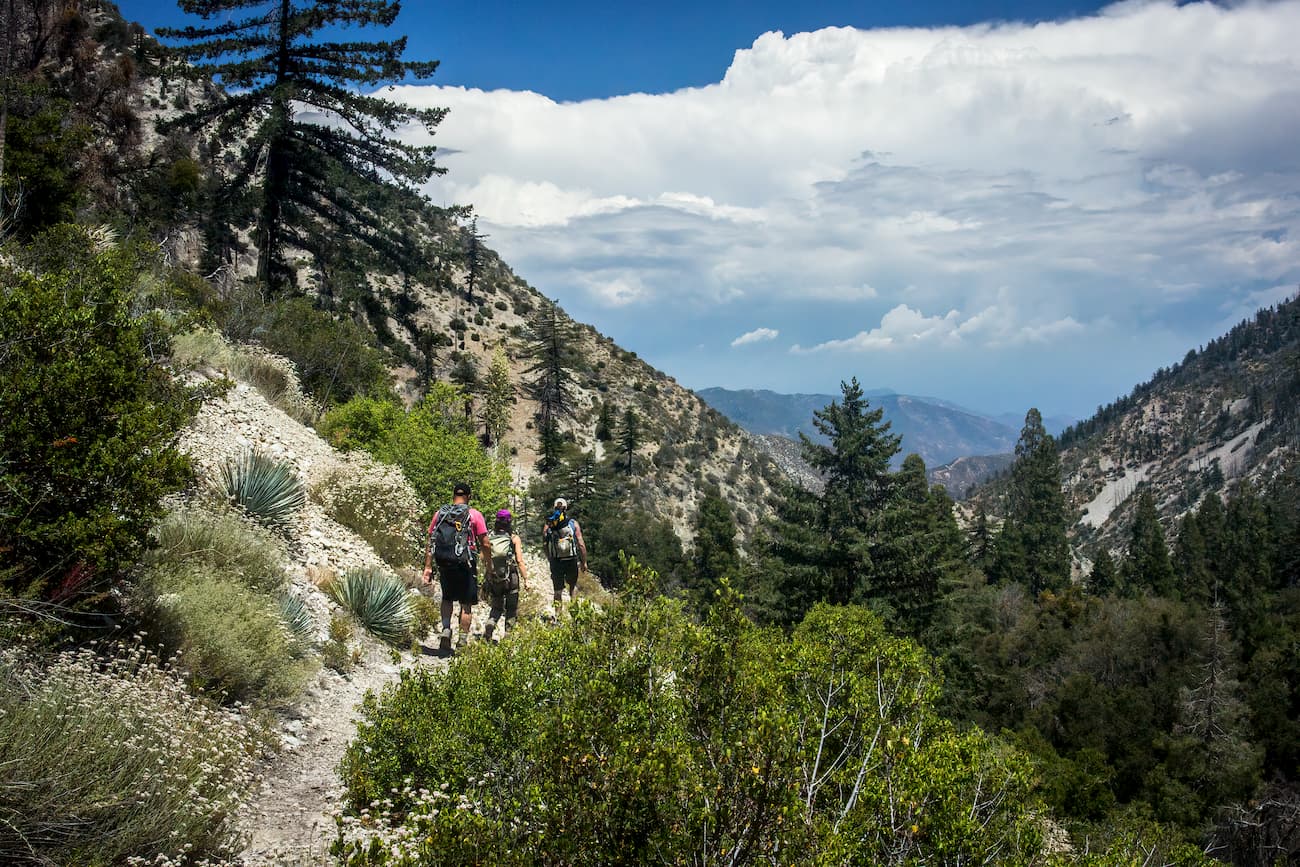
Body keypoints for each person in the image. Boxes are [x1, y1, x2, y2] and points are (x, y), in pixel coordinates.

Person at [422, 481, 488, 650]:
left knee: (447, 598)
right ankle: (462, 640)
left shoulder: (440, 514)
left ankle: (446, 629)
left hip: (444, 562)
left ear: (454, 495)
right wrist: (489, 564)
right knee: (466, 604)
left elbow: (431, 540)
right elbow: (485, 544)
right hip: (466, 564)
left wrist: (428, 567)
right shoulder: (474, 515)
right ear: (469, 497)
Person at [482, 509, 528, 642]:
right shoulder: (514, 538)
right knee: (511, 609)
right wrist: (526, 579)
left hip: (495, 577)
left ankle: (490, 625)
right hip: (511, 577)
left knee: (496, 607)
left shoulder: (489, 538)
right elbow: (519, 560)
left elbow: (482, 558)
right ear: (509, 523)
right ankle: (508, 638)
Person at [542, 497, 587, 616]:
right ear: (566, 508)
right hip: (571, 560)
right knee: (573, 587)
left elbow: (545, 543)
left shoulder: (548, 524)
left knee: (557, 591)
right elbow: (581, 544)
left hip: (556, 561)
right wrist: (584, 562)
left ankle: (558, 617)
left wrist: (550, 558)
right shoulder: (573, 523)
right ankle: (575, 615)